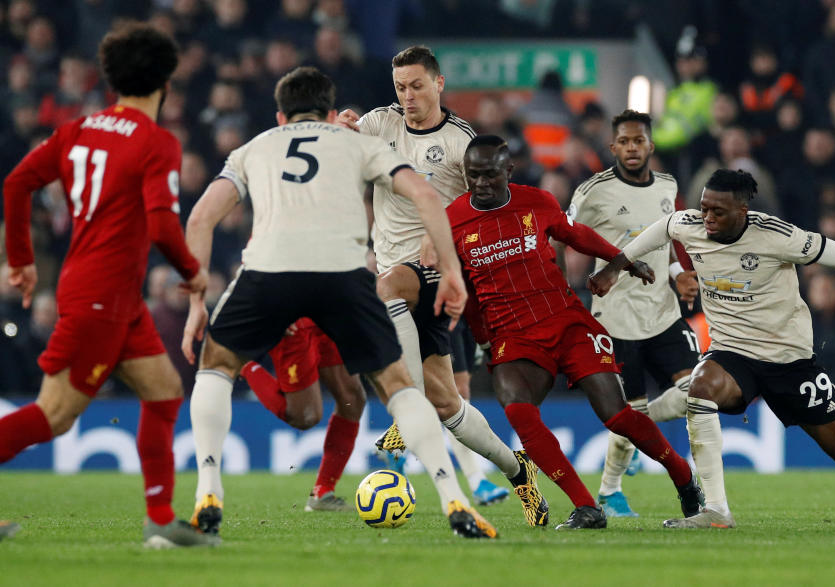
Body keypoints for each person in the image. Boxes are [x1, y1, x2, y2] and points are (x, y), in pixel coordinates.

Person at [182, 66, 496, 539]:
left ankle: (208, 491)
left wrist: (195, 304)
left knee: (215, 364)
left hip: (268, 270)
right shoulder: (358, 144)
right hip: (342, 274)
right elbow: (426, 195)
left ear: (280, 116)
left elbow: (201, 218)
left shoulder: (254, 148)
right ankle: (455, 501)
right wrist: (451, 272)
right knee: (398, 386)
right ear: (332, 113)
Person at [590, 168, 835, 529]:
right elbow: (660, 229)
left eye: (717, 212)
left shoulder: (777, 236)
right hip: (731, 352)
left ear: (742, 212)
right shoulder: (688, 225)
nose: (707, 217)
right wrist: (615, 267)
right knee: (700, 389)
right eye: (704, 208)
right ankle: (717, 511)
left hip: (789, 360)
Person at [0, 24, 218, 548]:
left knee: (165, 395)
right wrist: (194, 275)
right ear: (164, 82)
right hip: (99, 297)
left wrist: (22, 261)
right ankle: (161, 519)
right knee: (53, 416)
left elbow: (17, 183)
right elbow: (164, 226)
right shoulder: (157, 141)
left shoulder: (79, 129)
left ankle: (160, 521)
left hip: (116, 297)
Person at [445, 135, 704, 530]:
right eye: (473, 175)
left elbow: (576, 235)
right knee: (518, 411)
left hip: (566, 321)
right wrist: (482, 339)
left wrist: (620, 261)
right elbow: (463, 289)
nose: (480, 183)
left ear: (508, 171)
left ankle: (683, 477)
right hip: (511, 335)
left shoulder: (538, 202)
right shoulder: (452, 220)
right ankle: (586, 507)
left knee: (616, 415)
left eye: (489, 175)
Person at [337, 45, 544, 519]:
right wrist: (341, 130)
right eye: (400, 88)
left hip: (439, 271)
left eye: (416, 86)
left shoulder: (460, 141)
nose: (407, 96)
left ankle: (405, 412)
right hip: (396, 267)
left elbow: (486, 204)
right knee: (449, 404)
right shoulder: (379, 124)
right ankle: (519, 472)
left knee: (384, 288)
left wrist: (446, 233)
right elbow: (344, 149)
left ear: (439, 84)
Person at [567, 110, 701, 517]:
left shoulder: (667, 185)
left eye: (637, 141)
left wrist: (678, 272)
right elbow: (565, 233)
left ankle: (657, 455)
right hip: (616, 318)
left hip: (663, 312)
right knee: (631, 414)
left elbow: (668, 236)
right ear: (613, 147)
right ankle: (610, 490)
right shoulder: (593, 192)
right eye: (623, 142)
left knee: (698, 392)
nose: (630, 148)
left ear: (650, 145)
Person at [239, 318, 366, 511]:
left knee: (353, 399)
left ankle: (322, 492)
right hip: (295, 320)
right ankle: (241, 362)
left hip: (330, 314)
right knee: (305, 417)